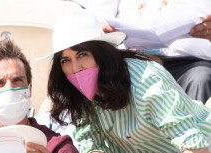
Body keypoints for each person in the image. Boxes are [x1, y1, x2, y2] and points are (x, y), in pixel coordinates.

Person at [42, 9, 211, 153]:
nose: (75, 68)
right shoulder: (80, 94)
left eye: (82, 54)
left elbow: (198, 152)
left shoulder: (146, 78)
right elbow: (90, 152)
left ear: (101, 53)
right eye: (65, 60)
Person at [77, 0, 211, 104]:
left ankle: (193, 137)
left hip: (190, 61)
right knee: (108, 77)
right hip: (133, 58)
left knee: (200, 78)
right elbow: (97, 19)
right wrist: (101, 28)